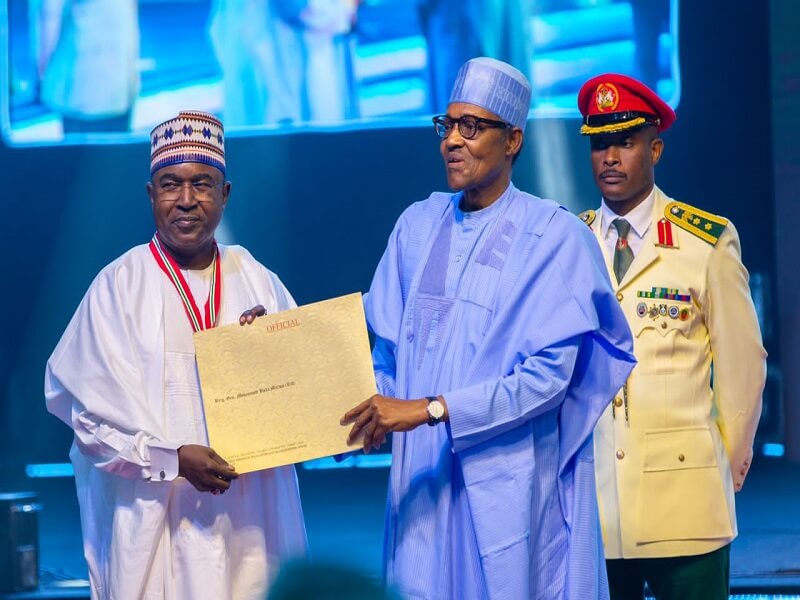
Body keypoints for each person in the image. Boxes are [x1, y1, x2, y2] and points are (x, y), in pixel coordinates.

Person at [342, 57, 636, 599]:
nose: (452, 140)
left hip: (508, 482)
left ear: (513, 141)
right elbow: (384, 354)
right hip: (422, 480)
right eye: (447, 125)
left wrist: (432, 409)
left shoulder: (554, 236)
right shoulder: (416, 224)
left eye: (471, 127)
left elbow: (548, 381)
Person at [45, 111, 308, 599]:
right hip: (156, 526)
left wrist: (271, 353)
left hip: (250, 522)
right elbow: (86, 421)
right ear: (150, 194)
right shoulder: (118, 287)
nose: (186, 201)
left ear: (225, 193)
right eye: (170, 184)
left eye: (202, 184)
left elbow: (305, 392)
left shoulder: (258, 281)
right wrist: (171, 460)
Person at [575, 73, 766, 599]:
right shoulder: (569, 243)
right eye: (599, 142)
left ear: (655, 148)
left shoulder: (703, 241)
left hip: (686, 501)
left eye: (625, 141)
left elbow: (743, 369)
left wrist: (720, 469)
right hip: (594, 508)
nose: (610, 156)